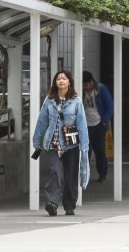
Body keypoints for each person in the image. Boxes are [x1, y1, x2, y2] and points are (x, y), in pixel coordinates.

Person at [32, 70, 89, 216]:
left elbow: (82, 124)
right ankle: (52, 203)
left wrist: (84, 146)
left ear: (69, 82)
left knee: (71, 175)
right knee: (55, 172)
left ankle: (70, 205)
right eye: (58, 79)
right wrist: (37, 141)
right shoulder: (49, 101)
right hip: (53, 144)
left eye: (64, 78)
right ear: (55, 83)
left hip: (71, 145)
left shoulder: (76, 101)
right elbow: (42, 121)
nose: (61, 81)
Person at [81, 70, 113, 182]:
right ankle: (85, 175)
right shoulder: (80, 91)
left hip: (99, 124)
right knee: (86, 151)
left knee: (99, 150)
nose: (85, 87)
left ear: (91, 82)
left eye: (86, 85)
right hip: (85, 125)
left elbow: (110, 105)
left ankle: (102, 174)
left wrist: (105, 119)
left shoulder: (101, 89)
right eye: (83, 85)